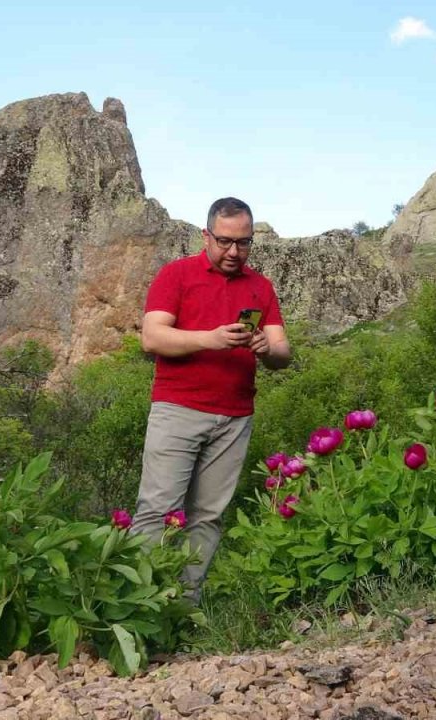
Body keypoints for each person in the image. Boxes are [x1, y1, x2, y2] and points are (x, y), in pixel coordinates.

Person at [131, 196, 292, 603]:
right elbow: (151, 338)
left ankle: (183, 609)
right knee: (157, 511)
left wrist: (263, 348)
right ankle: (135, 605)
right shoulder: (176, 275)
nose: (234, 251)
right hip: (178, 410)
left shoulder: (261, 286)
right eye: (224, 241)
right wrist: (213, 339)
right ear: (206, 235)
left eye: (244, 242)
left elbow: (283, 354)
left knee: (208, 518)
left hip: (235, 417)